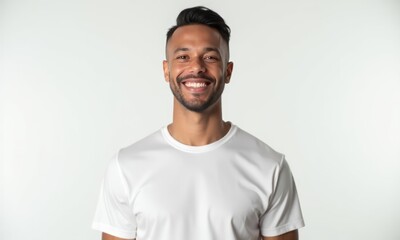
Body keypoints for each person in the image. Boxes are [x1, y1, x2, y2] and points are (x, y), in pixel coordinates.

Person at [92, 6, 305, 240]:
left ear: (228, 71)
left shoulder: (270, 166)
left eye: (210, 57)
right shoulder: (126, 167)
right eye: (183, 57)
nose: (196, 67)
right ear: (166, 70)